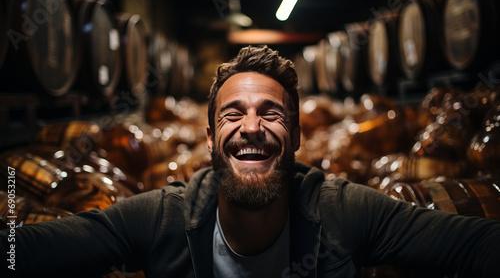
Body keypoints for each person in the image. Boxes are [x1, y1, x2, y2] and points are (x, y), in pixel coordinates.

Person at [1, 45, 500, 278]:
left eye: (272, 113)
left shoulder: (344, 210)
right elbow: (23, 251)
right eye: (233, 114)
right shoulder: (160, 217)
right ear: (211, 137)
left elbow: (474, 245)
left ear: (298, 136)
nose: (253, 127)